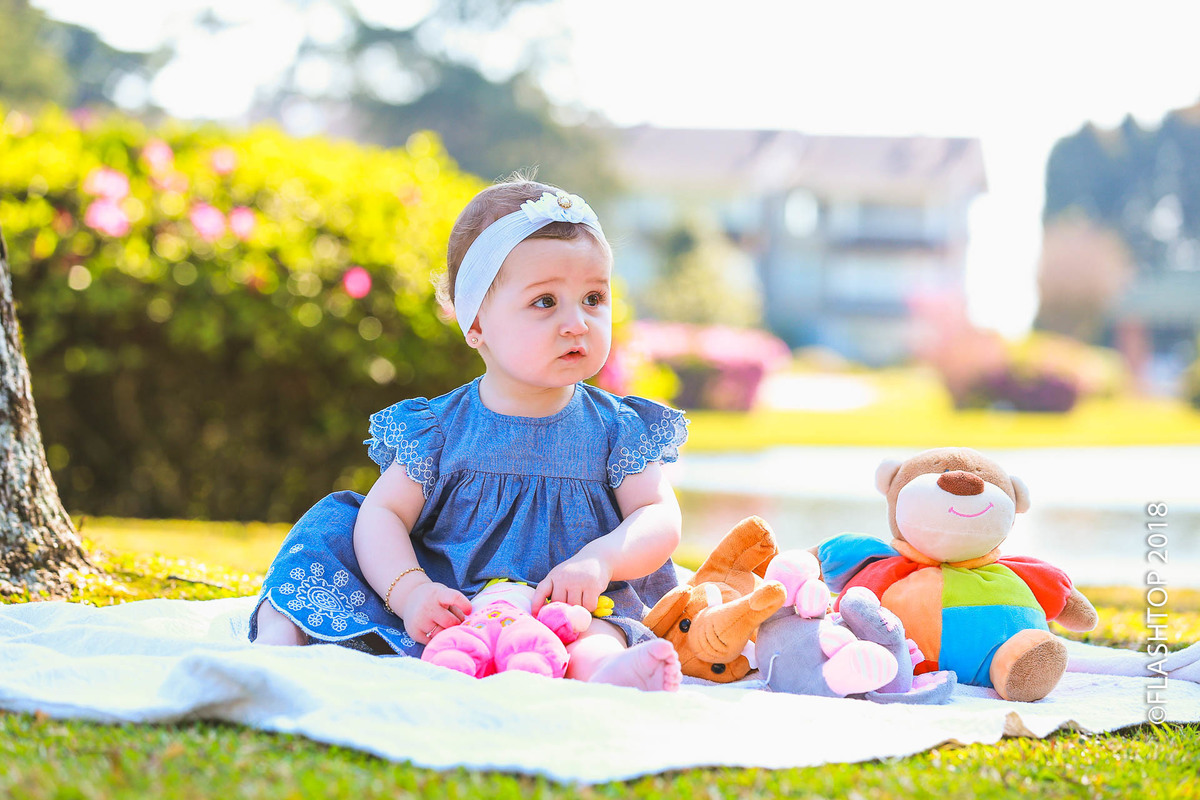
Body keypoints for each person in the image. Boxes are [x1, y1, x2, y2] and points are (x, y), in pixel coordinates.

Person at [250, 175, 688, 691]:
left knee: (596, 632)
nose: (577, 323)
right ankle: (281, 640)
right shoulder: (439, 429)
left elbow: (657, 515)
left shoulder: (618, 428)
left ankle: (607, 672)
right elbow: (385, 514)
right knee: (332, 528)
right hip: (450, 601)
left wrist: (601, 559)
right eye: (545, 302)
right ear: (475, 322)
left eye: (593, 298)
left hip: (569, 600)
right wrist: (410, 592)